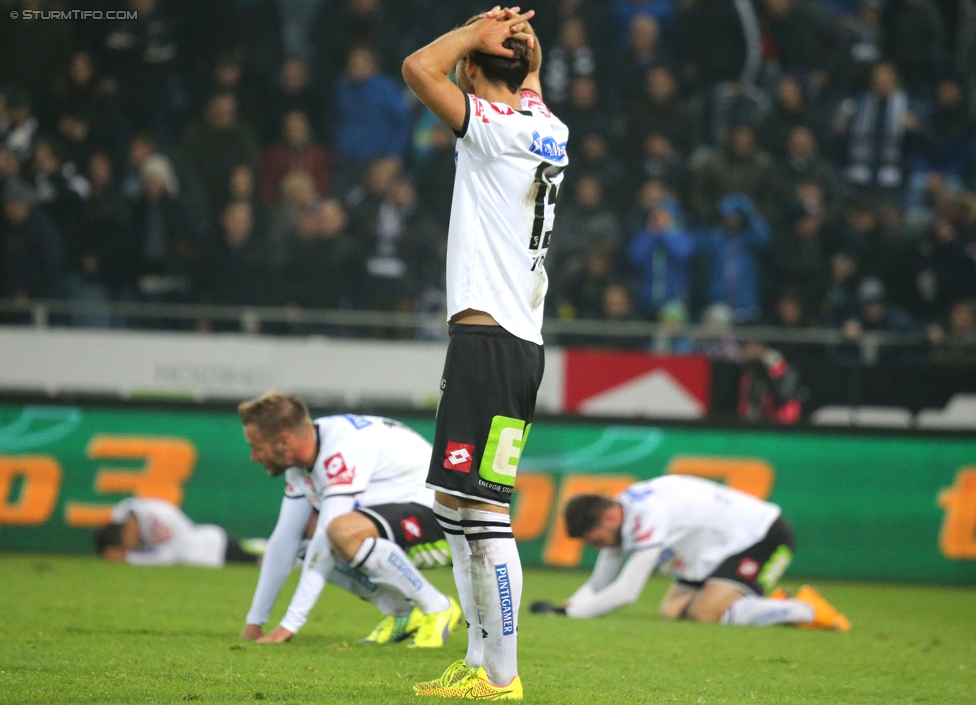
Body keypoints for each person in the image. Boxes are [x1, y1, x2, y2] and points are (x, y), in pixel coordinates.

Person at [401, 6, 568, 699]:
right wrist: (522, 52)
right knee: (458, 501)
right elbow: (529, 80)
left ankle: (500, 676)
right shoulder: (549, 129)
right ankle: (480, 658)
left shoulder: (494, 131)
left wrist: (474, 30)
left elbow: (416, 68)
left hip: (489, 341)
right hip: (515, 340)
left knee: (485, 511)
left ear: (473, 69)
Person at [237, 391, 461, 648]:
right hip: (400, 520)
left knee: (340, 533)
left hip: (441, 516)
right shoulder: (301, 461)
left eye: (256, 447)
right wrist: (255, 622)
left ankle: (436, 607)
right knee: (305, 544)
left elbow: (327, 537)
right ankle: (404, 613)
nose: (254, 456)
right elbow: (284, 539)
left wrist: (290, 623)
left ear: (284, 441)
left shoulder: (340, 448)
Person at [531, 476, 850, 633]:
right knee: (673, 611)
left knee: (704, 614)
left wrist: (570, 615)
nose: (597, 547)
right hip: (718, 550)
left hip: (761, 535)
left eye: (595, 540)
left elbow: (627, 591)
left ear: (609, 518)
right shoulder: (623, 508)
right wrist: (565, 608)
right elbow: (602, 579)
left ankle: (805, 610)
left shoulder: (646, 515)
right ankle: (763, 604)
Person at [94, 497, 265, 568]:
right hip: (206, 552)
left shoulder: (157, 520)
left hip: (215, 547)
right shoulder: (127, 511)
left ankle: (289, 553)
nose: (131, 547)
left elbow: (169, 556)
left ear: (126, 531)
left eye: (126, 544)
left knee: (260, 556)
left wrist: (129, 558)